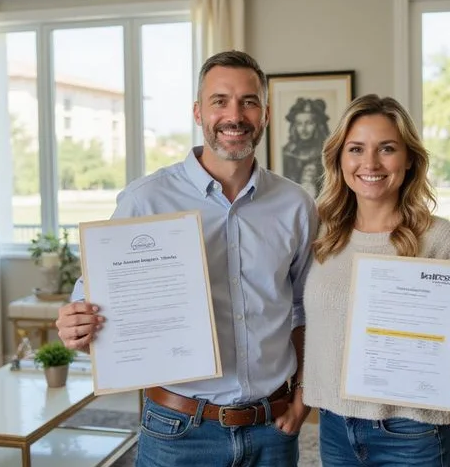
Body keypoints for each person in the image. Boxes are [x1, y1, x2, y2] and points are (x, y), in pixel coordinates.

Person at [55, 50, 318, 467]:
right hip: (179, 431)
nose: (235, 114)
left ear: (265, 114)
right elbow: (95, 303)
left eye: (249, 101)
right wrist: (76, 324)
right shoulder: (147, 199)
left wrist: (303, 396)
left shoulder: (296, 205)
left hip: (272, 429)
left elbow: (306, 309)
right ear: (198, 112)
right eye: (220, 101)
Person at [300, 94, 450, 466]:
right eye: (356, 148)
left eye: (387, 148)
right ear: (340, 159)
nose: (370, 162)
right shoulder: (321, 235)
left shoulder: (443, 240)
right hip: (334, 429)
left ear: (409, 160)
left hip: (413, 435)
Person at [281, 98, 331, 197]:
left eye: (309, 123)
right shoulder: (287, 152)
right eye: (299, 124)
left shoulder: (328, 151)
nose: (303, 129)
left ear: (318, 125)